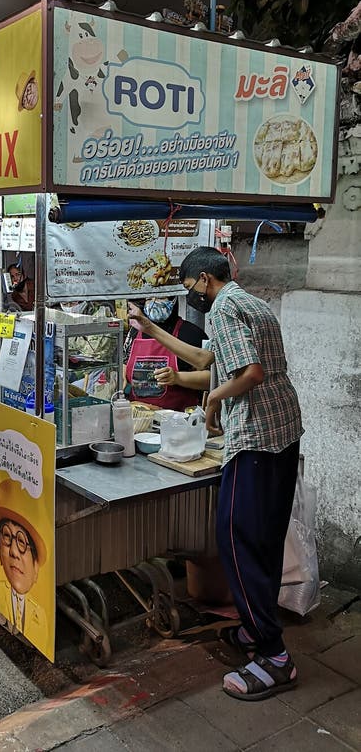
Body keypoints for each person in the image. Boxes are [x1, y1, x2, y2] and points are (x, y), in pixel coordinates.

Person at [130, 247, 302, 702]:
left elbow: (250, 373)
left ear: (205, 279)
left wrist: (213, 400)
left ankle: (274, 657)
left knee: (235, 539)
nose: (192, 299)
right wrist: (151, 331)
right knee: (262, 540)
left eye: (191, 289)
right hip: (284, 432)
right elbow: (210, 365)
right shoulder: (250, 302)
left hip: (257, 439)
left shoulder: (224, 309)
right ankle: (254, 629)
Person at [0, 479, 48, 649]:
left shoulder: (41, 615)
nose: (14, 551)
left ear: (36, 565)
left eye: (22, 541)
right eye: (7, 536)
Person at [124, 296, 209, 410]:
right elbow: (125, 363)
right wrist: (121, 378)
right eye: (149, 299)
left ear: (173, 300)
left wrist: (178, 377)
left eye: (160, 297)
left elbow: (210, 379)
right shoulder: (135, 331)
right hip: (140, 417)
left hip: (178, 419)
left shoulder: (192, 333)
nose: (153, 302)